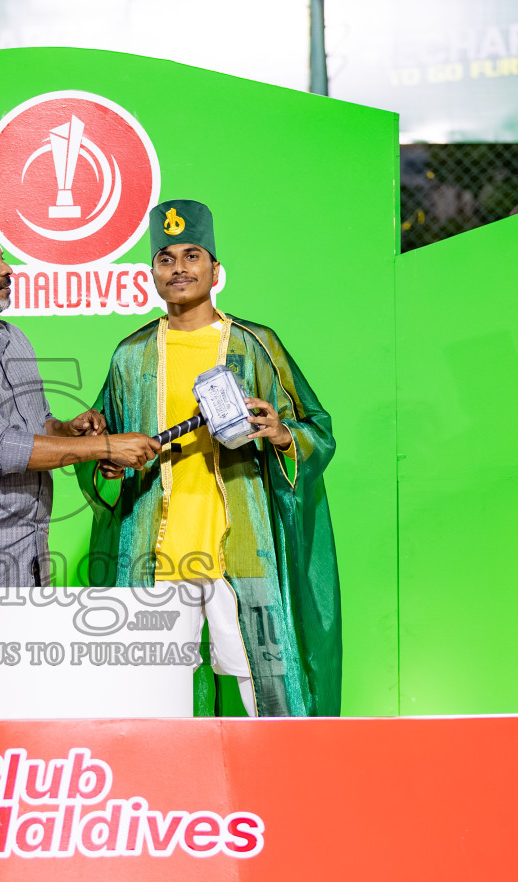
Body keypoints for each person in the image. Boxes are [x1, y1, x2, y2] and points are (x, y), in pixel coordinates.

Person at [80, 201, 341, 718]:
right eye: (166, 258)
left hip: (240, 547)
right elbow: (102, 447)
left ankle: (280, 787)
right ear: (151, 274)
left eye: (192, 255)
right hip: (156, 552)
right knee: (154, 688)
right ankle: (163, 794)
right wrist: (107, 462)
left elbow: (316, 430)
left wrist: (282, 435)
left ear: (215, 269)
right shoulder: (130, 355)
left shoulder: (254, 345)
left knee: (259, 677)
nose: (179, 268)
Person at [0, 221, 160, 586]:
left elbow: (38, 423)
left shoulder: (12, 338)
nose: (8, 270)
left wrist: (70, 431)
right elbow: (4, 448)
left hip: (32, 554)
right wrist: (106, 447)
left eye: (3, 261)